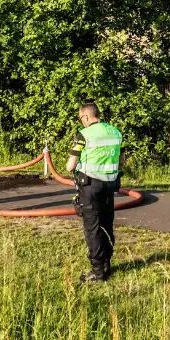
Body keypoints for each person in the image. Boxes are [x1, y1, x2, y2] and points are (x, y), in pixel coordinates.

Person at [66, 102, 124, 283]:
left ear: (85, 117)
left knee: (92, 228)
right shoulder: (116, 132)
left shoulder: (83, 134)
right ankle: (107, 265)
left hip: (90, 186)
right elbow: (122, 160)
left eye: (80, 118)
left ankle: (97, 272)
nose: (80, 121)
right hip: (110, 185)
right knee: (107, 224)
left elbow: (70, 166)